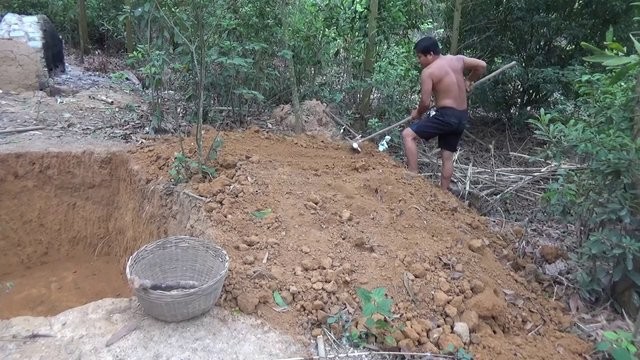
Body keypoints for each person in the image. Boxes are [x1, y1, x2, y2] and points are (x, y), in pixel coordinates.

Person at [402, 36, 486, 192]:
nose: (419, 60)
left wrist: (417, 113)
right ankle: (443, 192)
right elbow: (481, 65)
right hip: (461, 117)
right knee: (447, 155)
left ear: (430, 54)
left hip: (447, 115)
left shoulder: (429, 72)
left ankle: (412, 176)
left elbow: (425, 103)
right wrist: (469, 80)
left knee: (408, 135)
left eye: (420, 57)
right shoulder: (457, 60)